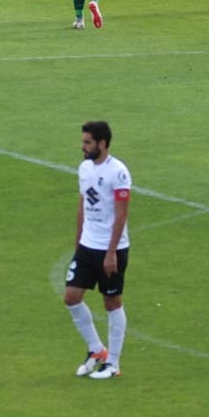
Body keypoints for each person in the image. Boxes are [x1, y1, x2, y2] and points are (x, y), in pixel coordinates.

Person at [63, 120, 131, 381]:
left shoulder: (118, 172)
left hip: (111, 249)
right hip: (87, 247)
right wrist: (79, 239)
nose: (83, 147)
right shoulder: (84, 168)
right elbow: (82, 204)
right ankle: (96, 351)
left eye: (87, 142)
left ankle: (113, 363)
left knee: (111, 302)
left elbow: (122, 214)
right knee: (71, 296)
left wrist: (112, 251)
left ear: (102, 144)